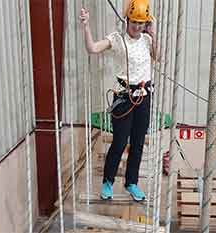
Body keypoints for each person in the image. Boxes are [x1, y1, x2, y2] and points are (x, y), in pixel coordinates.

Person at [79, 0, 156, 201]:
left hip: (144, 96)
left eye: (141, 23)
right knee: (120, 142)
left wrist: (153, 33)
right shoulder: (117, 39)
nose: (137, 27)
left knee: (138, 143)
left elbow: (158, 56)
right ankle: (108, 181)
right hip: (124, 97)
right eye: (134, 22)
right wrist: (86, 26)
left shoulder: (147, 40)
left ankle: (131, 183)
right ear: (126, 20)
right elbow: (93, 49)